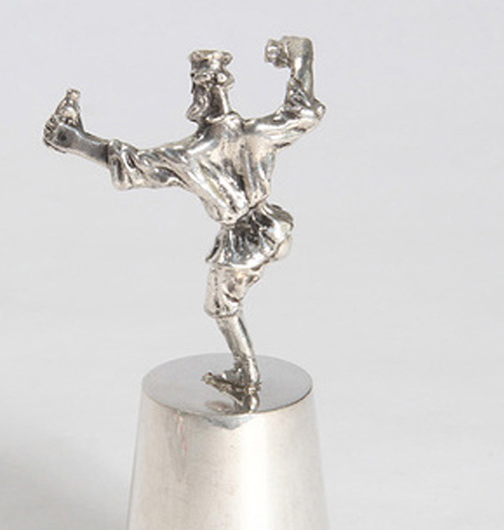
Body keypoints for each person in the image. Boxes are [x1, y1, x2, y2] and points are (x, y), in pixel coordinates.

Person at [44, 36, 325, 399]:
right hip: (274, 229)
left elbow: (135, 165)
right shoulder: (257, 133)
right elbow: (303, 113)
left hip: (242, 245)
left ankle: (247, 373)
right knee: (224, 306)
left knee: (221, 308)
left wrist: (75, 141)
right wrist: (300, 58)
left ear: (199, 96)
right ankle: (246, 372)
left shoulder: (191, 154)